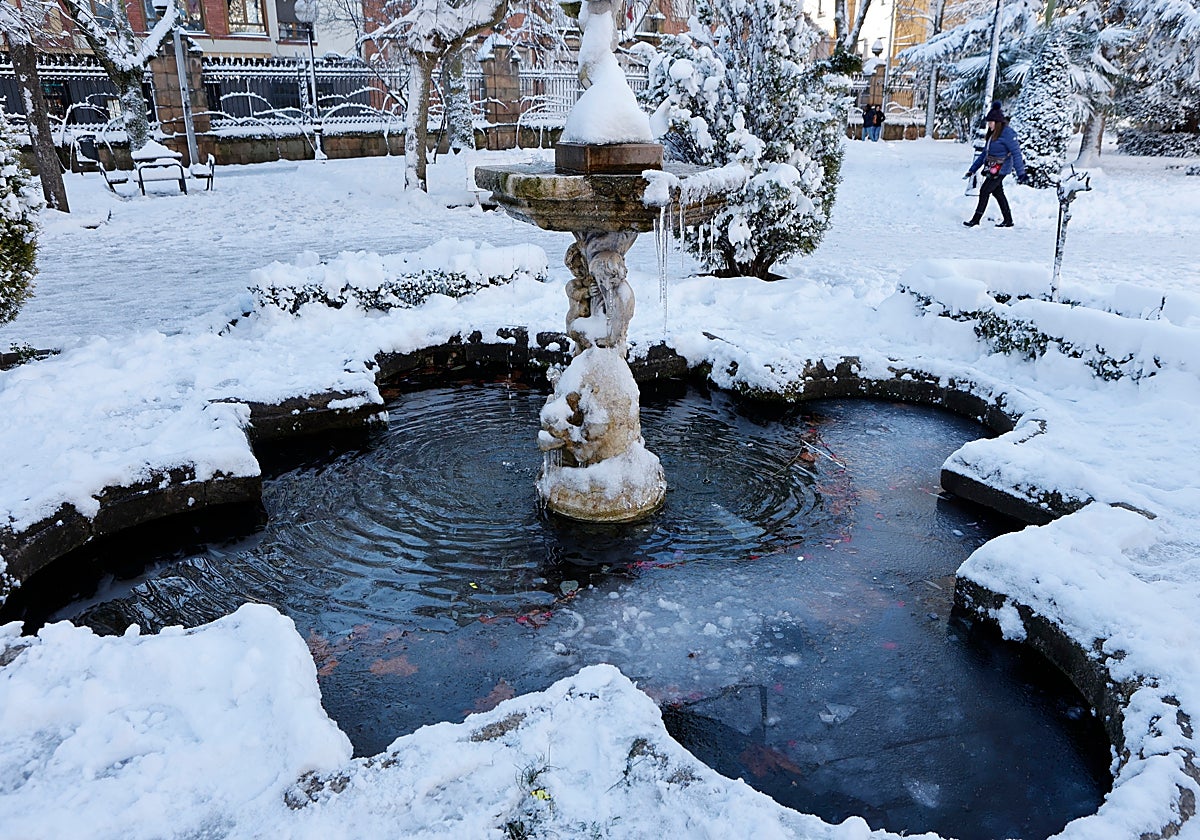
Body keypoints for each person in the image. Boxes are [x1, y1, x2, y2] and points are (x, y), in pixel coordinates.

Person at [964, 102, 1028, 228]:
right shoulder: (993, 134)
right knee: (998, 193)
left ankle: (976, 219)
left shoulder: (1008, 134)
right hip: (993, 167)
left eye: (991, 122)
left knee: (985, 190)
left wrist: (1021, 174)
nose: (989, 124)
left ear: (997, 122)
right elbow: (984, 154)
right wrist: (972, 170)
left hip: (1001, 169)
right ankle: (1008, 220)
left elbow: (1016, 154)